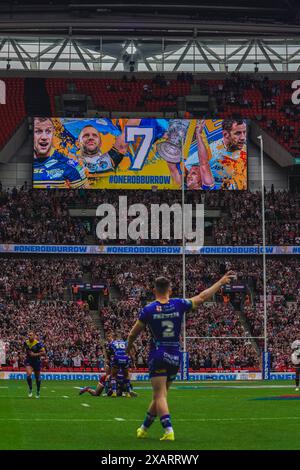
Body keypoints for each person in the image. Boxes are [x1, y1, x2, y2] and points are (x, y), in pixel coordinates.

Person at [126, 270, 236, 441]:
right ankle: (144, 428)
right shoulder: (178, 304)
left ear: (154, 290)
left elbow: (133, 333)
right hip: (175, 355)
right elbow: (202, 297)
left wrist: (129, 346)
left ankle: (168, 429)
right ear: (169, 289)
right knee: (161, 395)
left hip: (159, 353)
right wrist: (220, 282)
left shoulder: (148, 309)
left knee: (159, 395)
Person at [33, 117, 87, 189]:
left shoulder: (72, 167)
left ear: (53, 135)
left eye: (48, 131)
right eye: (38, 131)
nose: (44, 137)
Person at [24, 331, 46, 398]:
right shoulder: (26, 342)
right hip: (29, 361)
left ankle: (38, 391)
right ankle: (30, 389)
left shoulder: (38, 343)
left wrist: (35, 354)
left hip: (36, 361)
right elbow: (27, 351)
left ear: (34, 336)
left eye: (31, 335)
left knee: (37, 378)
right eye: (29, 335)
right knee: (28, 375)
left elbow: (44, 352)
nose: (29, 336)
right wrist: (30, 354)